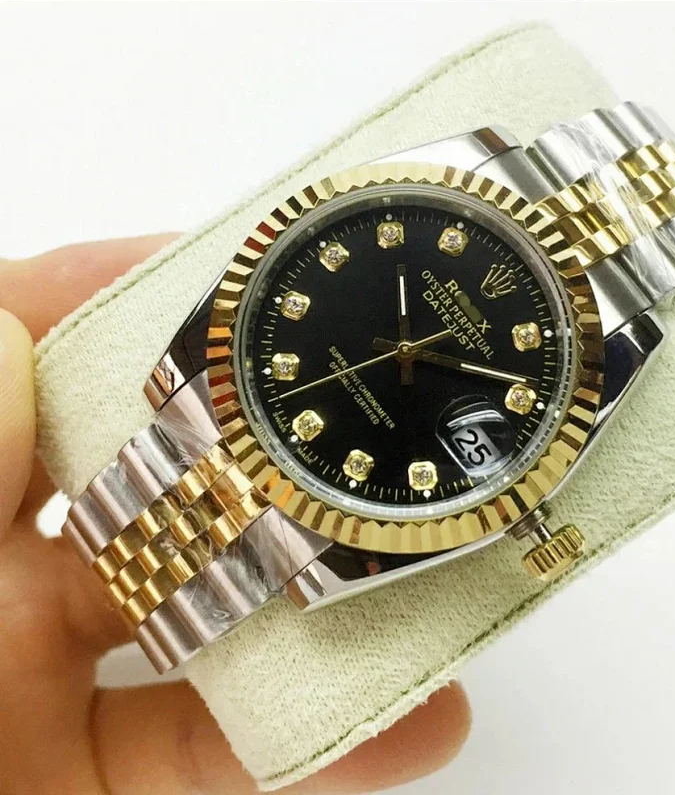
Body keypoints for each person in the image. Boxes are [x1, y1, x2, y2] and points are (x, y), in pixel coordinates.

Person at [0, 234, 471, 794]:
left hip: (302, 511)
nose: (405, 352)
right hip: (213, 408)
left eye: (408, 354)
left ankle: (166, 612)